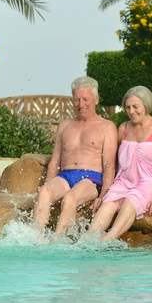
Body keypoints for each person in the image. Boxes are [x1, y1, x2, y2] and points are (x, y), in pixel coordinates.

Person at [89, 86, 152, 241]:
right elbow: (112, 162)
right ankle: (87, 239)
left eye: (136, 107)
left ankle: (108, 239)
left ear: (146, 105)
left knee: (131, 200)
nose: (131, 111)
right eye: (128, 107)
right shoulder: (123, 128)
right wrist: (104, 192)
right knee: (109, 201)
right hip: (126, 180)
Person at [33, 76, 118, 235]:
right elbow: (55, 161)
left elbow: (109, 165)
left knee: (71, 197)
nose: (81, 105)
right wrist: (50, 185)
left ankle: (58, 242)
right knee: (45, 191)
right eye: (77, 100)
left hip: (91, 179)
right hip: (66, 176)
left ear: (96, 99)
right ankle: (34, 239)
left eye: (86, 99)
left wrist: (104, 195)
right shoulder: (65, 125)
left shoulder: (107, 127)